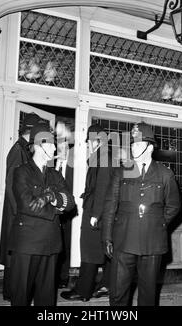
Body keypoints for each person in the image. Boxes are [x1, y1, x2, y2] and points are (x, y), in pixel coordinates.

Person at [102, 122, 181, 306]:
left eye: (138, 143)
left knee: (148, 294)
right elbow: (110, 205)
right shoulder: (122, 171)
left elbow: (174, 206)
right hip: (124, 240)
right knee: (118, 293)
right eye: (132, 143)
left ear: (150, 147)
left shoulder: (165, 174)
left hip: (152, 242)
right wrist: (106, 237)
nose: (133, 147)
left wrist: (157, 223)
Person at [7, 122, 75, 306]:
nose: (55, 147)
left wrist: (51, 196)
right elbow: (28, 205)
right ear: (37, 146)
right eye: (50, 143)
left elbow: (71, 202)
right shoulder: (21, 172)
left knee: (46, 297)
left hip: (51, 243)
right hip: (27, 243)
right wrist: (56, 208)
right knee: (21, 295)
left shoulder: (55, 175)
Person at [61, 123, 113, 302]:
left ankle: (83, 291)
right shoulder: (101, 156)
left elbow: (103, 188)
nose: (89, 144)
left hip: (95, 212)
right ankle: (106, 285)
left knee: (89, 251)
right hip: (96, 210)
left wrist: (95, 215)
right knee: (103, 252)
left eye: (90, 141)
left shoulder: (104, 157)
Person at [0, 113, 42, 301]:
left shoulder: (23, 149)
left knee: (16, 256)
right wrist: (20, 213)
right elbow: (11, 185)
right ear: (30, 132)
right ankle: (12, 293)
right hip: (17, 213)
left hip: (19, 212)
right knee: (15, 257)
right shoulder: (18, 150)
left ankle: (13, 293)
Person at [55, 121, 77, 288]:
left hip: (68, 211)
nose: (61, 148)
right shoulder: (51, 165)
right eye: (59, 144)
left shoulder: (73, 167)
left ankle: (63, 277)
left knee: (66, 244)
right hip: (52, 211)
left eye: (64, 145)